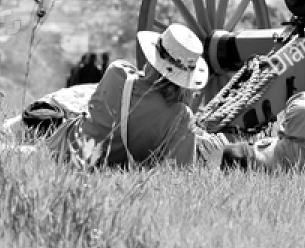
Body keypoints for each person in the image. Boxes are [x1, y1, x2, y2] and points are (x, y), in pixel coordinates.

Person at [45, 24, 211, 167]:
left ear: (153, 56)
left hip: (67, 151)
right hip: (115, 165)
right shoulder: (180, 117)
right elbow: (180, 171)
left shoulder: (117, 74)